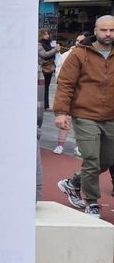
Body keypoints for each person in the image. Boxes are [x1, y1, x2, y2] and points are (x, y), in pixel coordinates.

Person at [54, 16, 114, 217]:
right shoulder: (80, 54)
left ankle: (72, 183)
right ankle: (92, 202)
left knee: (105, 161)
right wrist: (62, 112)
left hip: (111, 117)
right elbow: (65, 84)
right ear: (95, 31)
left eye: (112, 30)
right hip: (85, 115)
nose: (108, 34)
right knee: (91, 159)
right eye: (104, 30)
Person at [53, 33, 88, 154]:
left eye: (81, 41)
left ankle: (79, 147)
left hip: (84, 95)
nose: (78, 43)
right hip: (69, 93)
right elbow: (58, 72)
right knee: (65, 119)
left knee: (82, 123)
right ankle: (60, 144)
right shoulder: (67, 55)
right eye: (77, 40)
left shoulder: (90, 56)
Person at [39, 30, 60, 111]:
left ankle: (46, 105)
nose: (47, 35)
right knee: (42, 87)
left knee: (47, 86)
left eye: (48, 34)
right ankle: (41, 105)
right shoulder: (39, 44)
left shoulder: (49, 43)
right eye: (45, 34)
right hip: (43, 67)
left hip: (50, 67)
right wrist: (55, 50)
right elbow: (44, 55)